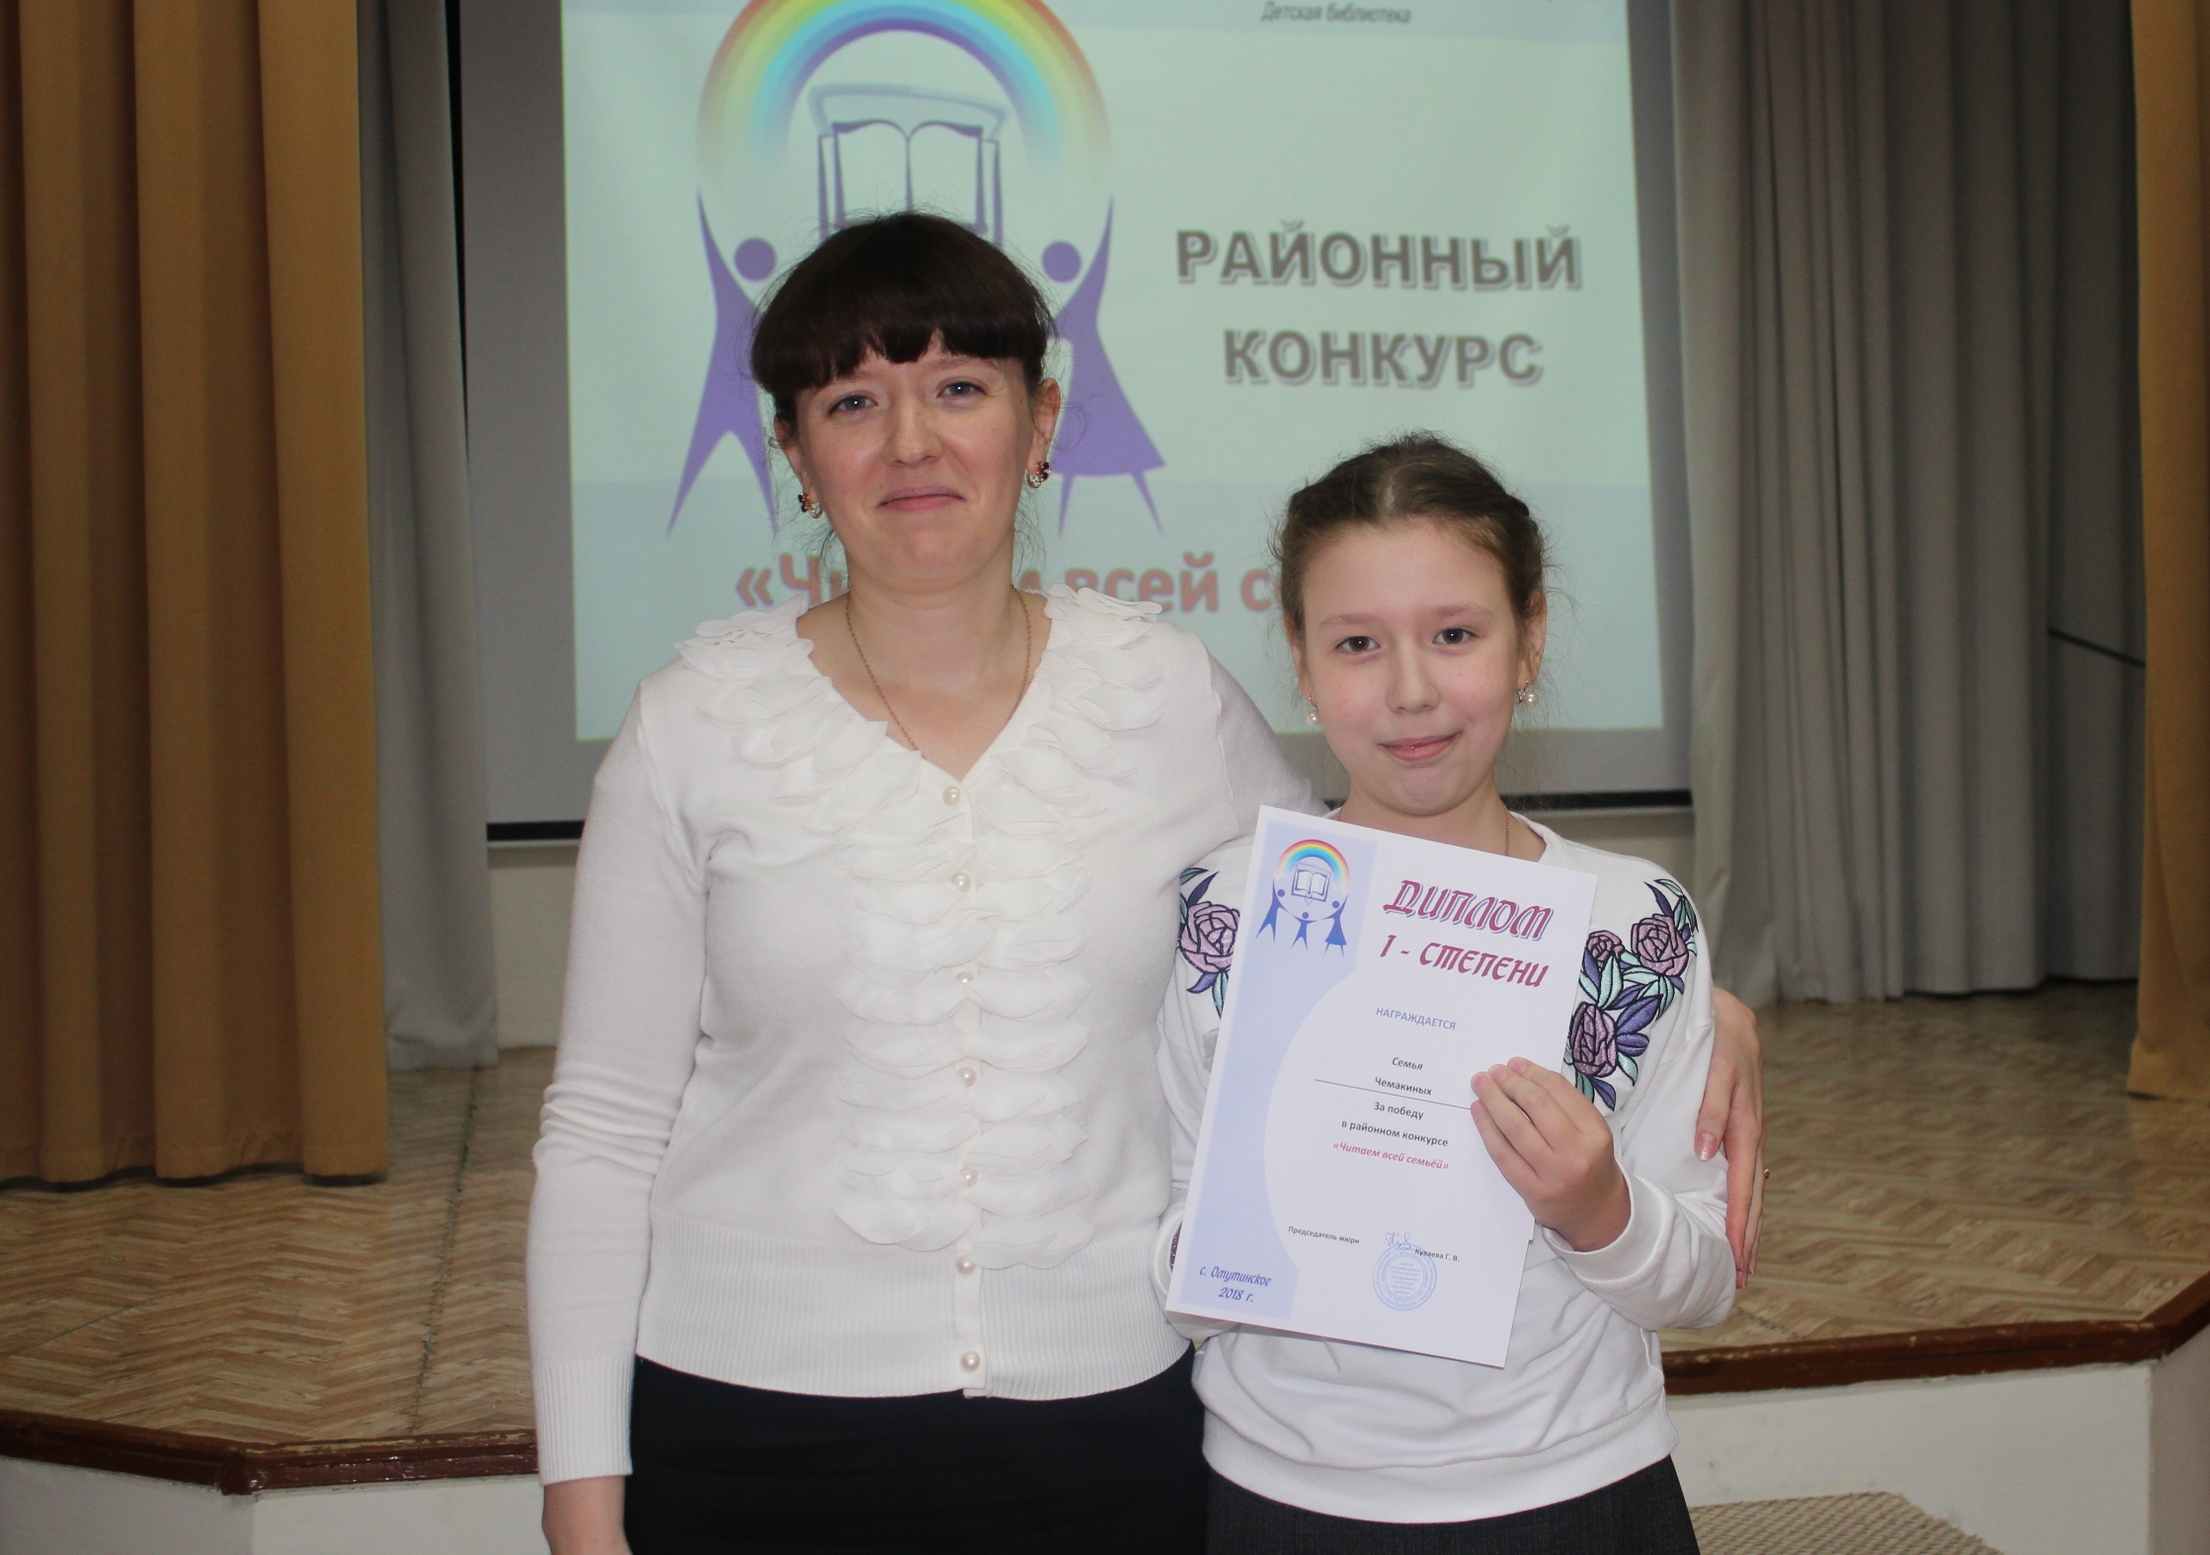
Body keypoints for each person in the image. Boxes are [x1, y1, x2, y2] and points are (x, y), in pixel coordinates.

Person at [528, 215, 1766, 1555]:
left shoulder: (1163, 693)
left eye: (958, 387)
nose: (911, 442)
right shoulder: (691, 724)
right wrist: (581, 1503)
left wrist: (1684, 997)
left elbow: (1381, 897)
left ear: (1042, 421)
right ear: (792, 453)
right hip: (750, 1431)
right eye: (852, 402)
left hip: (1107, 1433)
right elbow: (600, 1132)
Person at [1158, 436, 1730, 1553]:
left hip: (1576, 1490)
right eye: (1357, 643)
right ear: (1299, 657)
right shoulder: (1228, 910)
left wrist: (1597, 1208)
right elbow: (1170, 1261)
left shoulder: (1637, 922)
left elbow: (1702, 1279)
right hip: (1284, 1496)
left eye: (1456, 635)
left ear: (1530, 639)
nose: (1411, 690)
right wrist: (1240, 1223)